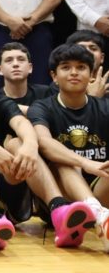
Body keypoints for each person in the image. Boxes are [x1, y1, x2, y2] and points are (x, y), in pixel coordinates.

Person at [0, 46, 98, 249]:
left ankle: (58, 209)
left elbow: (21, 123)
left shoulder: (1, 103)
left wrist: (29, 145)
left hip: (2, 188)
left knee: (18, 142)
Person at [28, 43, 109, 247]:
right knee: (61, 158)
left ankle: (100, 215)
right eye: (66, 67)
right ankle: (97, 213)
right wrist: (85, 163)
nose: (74, 72)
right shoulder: (42, 107)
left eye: (81, 67)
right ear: (54, 76)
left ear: (91, 75)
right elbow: (44, 142)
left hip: (102, 186)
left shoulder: (105, 107)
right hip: (63, 197)